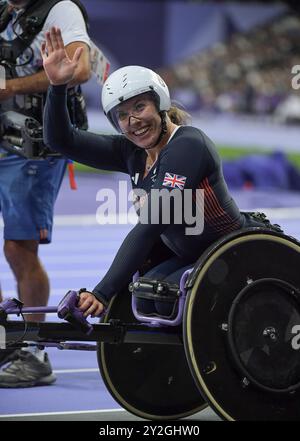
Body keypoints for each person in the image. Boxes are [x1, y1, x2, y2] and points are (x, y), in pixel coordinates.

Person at [41, 27, 281, 321]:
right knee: (146, 295)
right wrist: (56, 86)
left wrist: (102, 292)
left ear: (160, 103)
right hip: (192, 256)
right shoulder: (131, 151)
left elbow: (152, 222)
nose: (133, 122)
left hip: (235, 252)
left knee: (164, 300)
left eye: (140, 107)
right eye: (123, 115)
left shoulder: (189, 146)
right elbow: (61, 140)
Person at [0, 0, 91, 388]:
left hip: (36, 147)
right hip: (6, 138)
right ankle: (9, 335)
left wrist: (10, 88)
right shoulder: (7, 10)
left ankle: (34, 352)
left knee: (20, 247)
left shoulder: (61, 10)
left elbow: (80, 69)